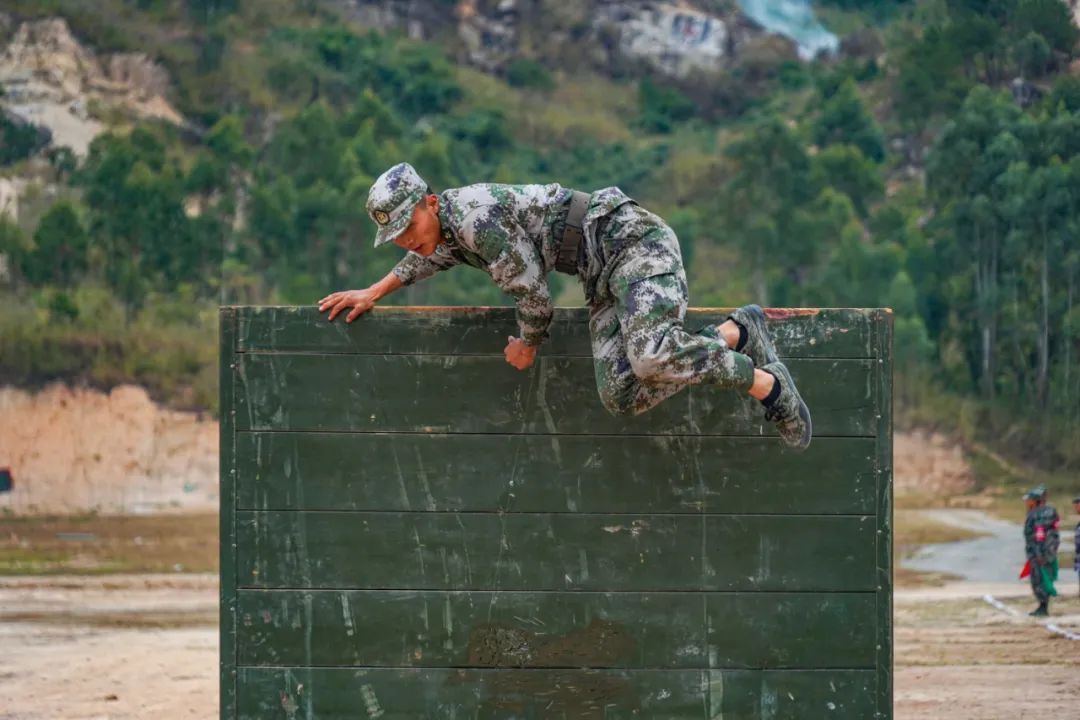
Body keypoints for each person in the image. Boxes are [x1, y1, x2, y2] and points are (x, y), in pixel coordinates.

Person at [318, 163, 812, 449]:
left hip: (632, 244)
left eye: (410, 228)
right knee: (622, 393)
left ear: (429, 203)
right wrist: (374, 291)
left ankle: (766, 384)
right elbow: (432, 258)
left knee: (650, 357)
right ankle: (736, 332)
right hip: (597, 271)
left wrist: (528, 345)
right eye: (397, 236)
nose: (408, 241)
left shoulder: (475, 220)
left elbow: (533, 294)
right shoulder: (446, 230)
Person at [1022, 485, 1059, 617]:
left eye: (1029, 500)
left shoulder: (1037, 514)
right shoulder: (1051, 511)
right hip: (1049, 550)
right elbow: (1054, 532)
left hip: (1039, 552)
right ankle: (1043, 605)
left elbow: (1040, 534)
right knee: (1045, 577)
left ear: (1035, 500)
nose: (1027, 502)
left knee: (1038, 579)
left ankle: (1043, 607)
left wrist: (1038, 553)